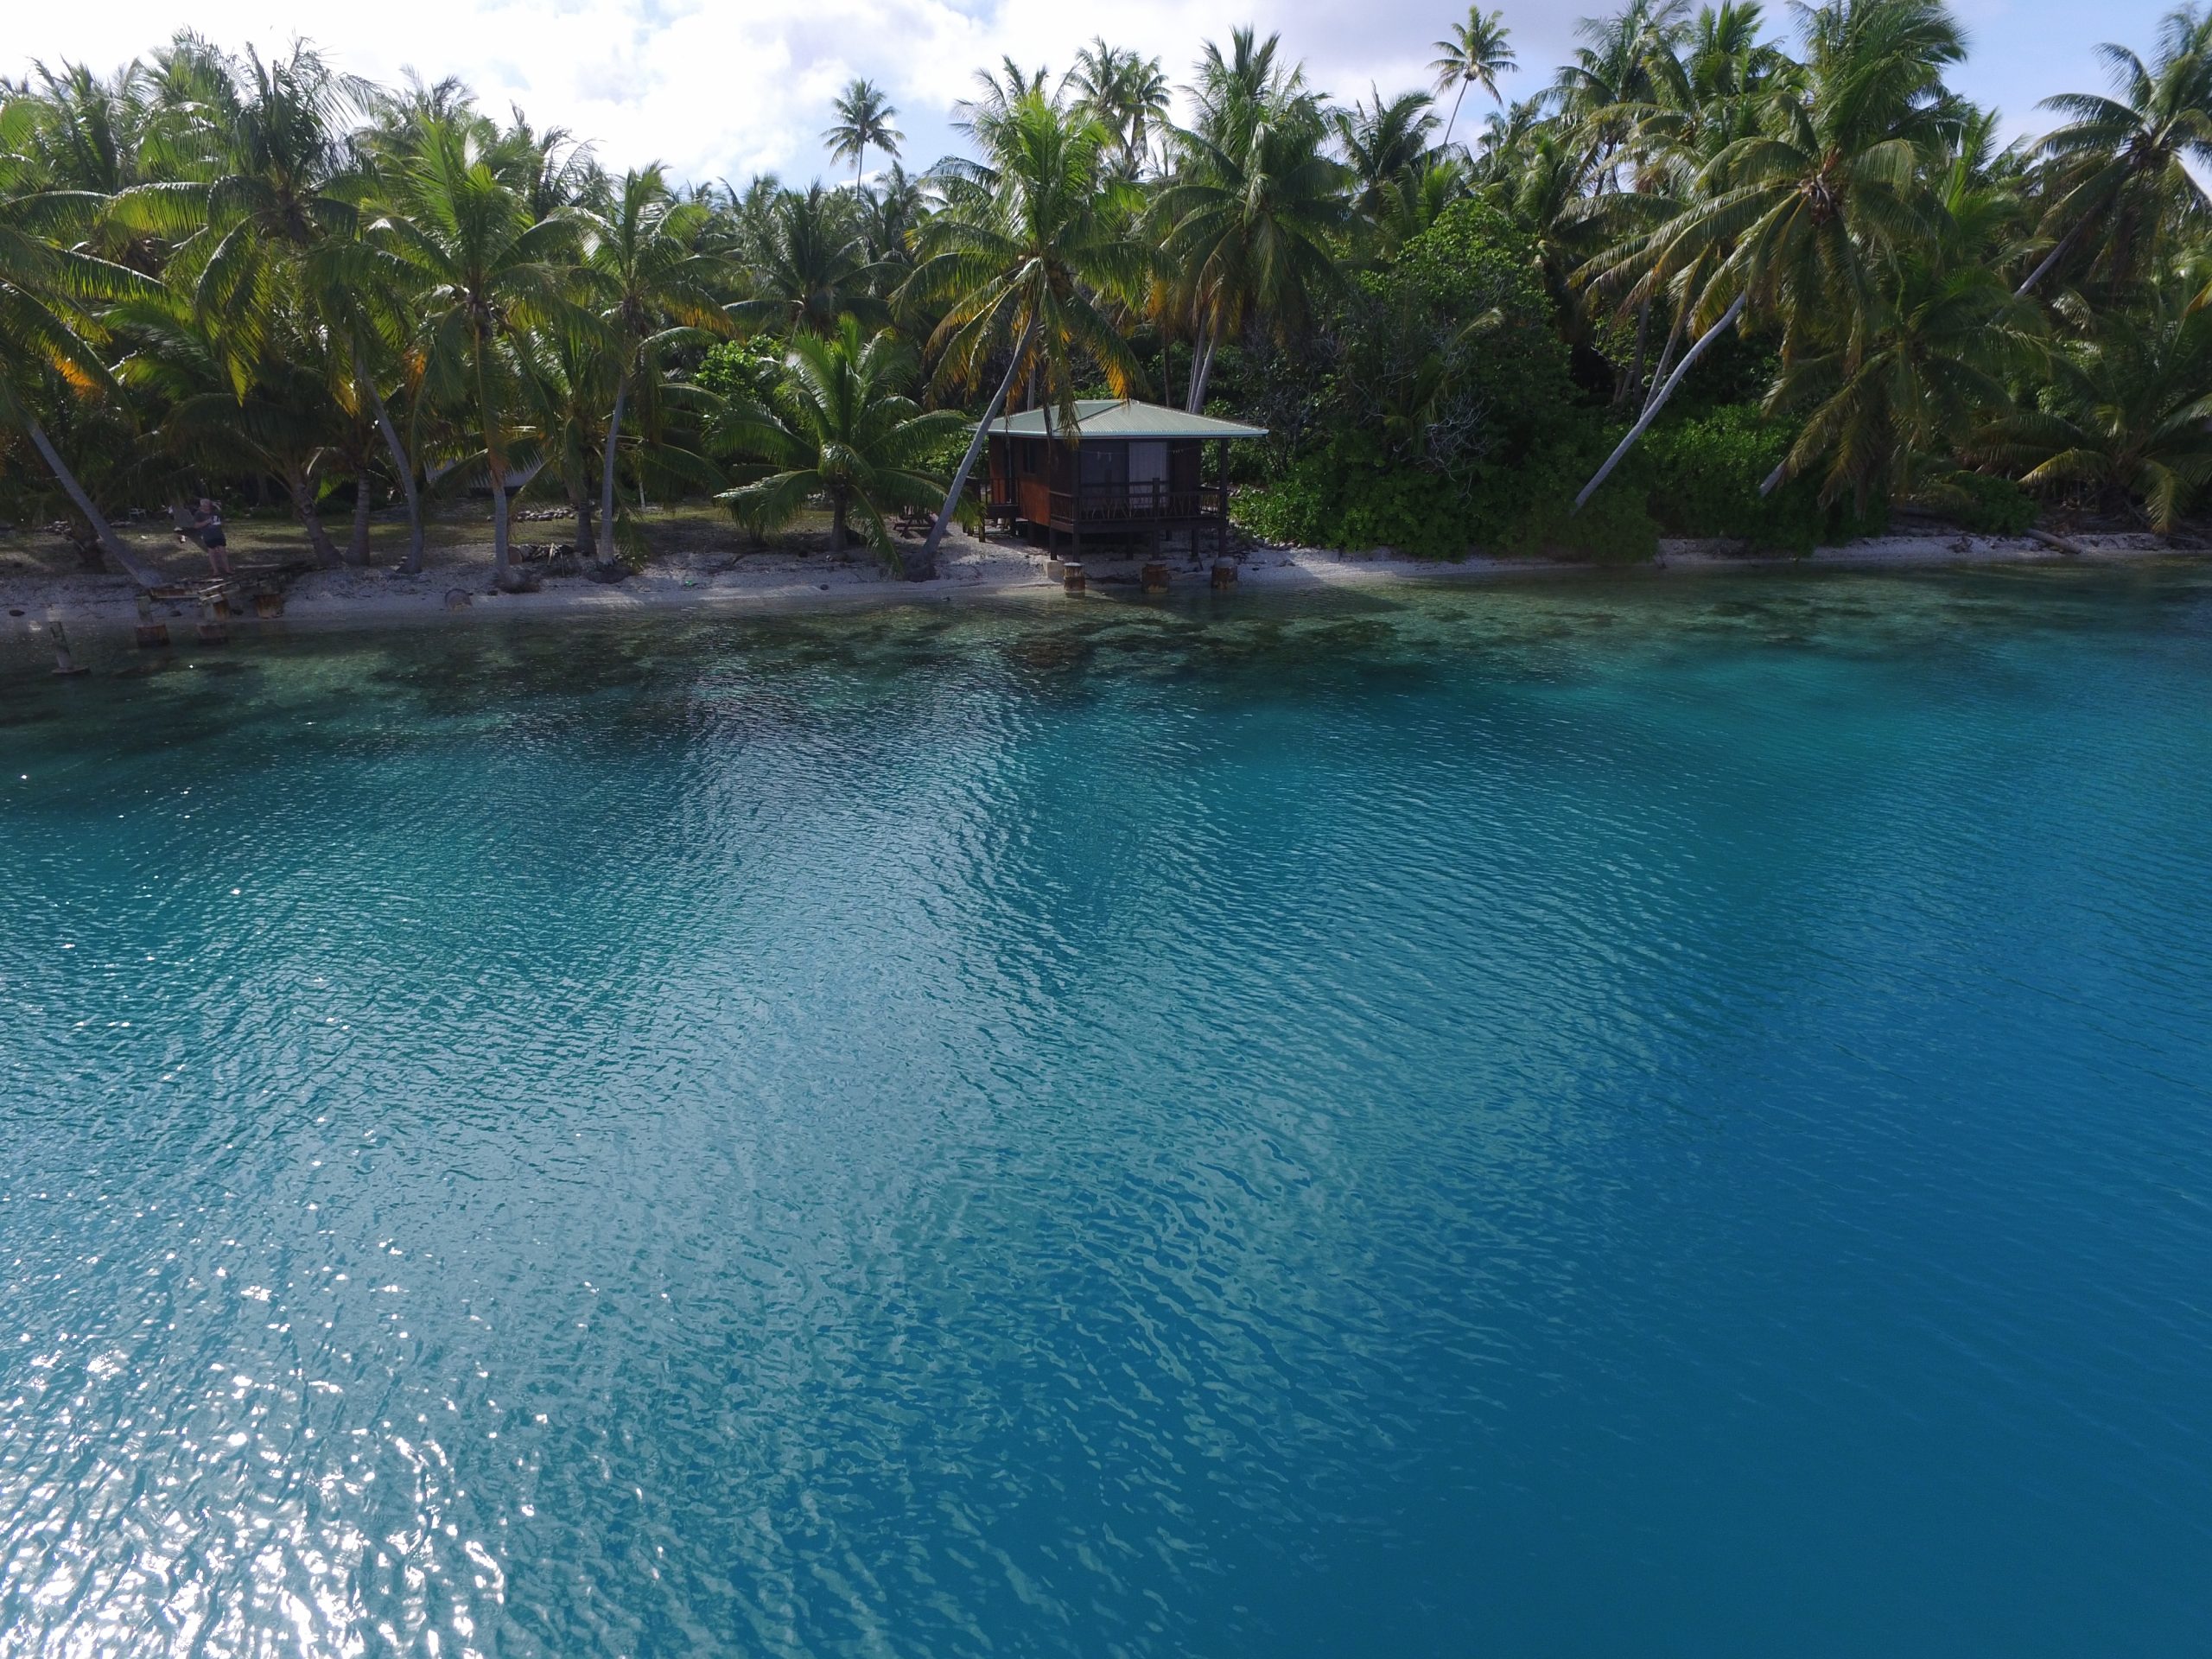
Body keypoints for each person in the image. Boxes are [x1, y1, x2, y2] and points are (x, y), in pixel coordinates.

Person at [181, 497, 232, 577]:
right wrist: (207, 522)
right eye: (205, 505)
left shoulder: (215, 512)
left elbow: (223, 521)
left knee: (223, 551)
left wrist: (221, 523)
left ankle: (228, 569)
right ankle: (216, 571)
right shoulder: (198, 514)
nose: (207, 506)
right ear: (202, 506)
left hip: (219, 534)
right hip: (208, 536)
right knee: (212, 553)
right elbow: (196, 526)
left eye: (208, 505)